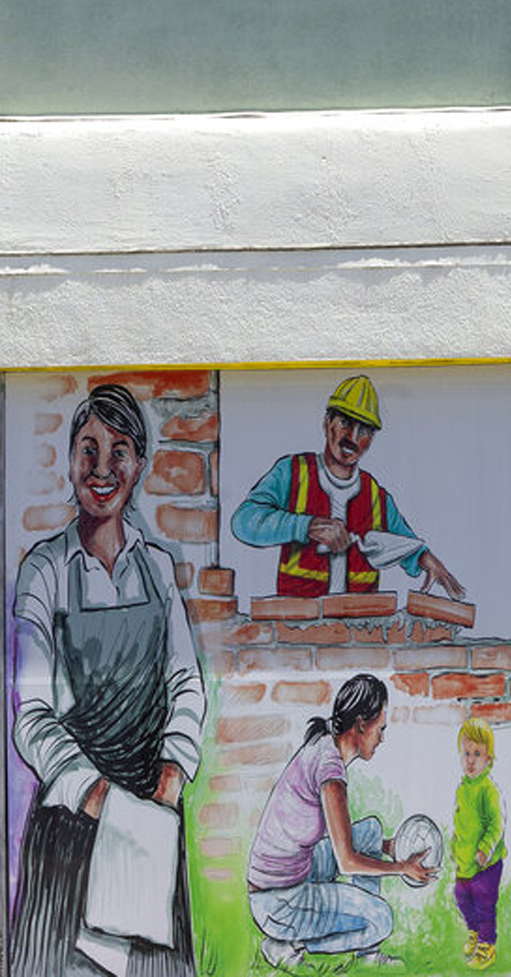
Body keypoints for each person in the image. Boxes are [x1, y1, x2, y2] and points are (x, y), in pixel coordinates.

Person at [10, 383, 206, 976]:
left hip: (150, 818)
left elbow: (186, 686)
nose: (102, 468)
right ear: (70, 461)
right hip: (71, 829)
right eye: (88, 450)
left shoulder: (158, 570)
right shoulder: (44, 572)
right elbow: (31, 715)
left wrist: (168, 781)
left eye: (118, 451)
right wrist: (95, 795)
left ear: (139, 465)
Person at [247, 673, 439, 971]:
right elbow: (347, 861)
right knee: (381, 920)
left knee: (372, 831)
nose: (382, 738)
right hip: (279, 903)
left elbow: (350, 843)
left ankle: (368, 955)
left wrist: (392, 847)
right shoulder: (330, 772)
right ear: (362, 724)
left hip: (292, 875)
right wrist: (401, 868)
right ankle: (287, 945)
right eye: (380, 728)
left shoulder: (324, 745)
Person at [231, 374, 464, 598]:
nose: (352, 438)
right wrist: (306, 526)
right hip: (299, 627)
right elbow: (243, 522)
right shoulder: (292, 472)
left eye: (363, 431)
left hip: (358, 631)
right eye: (345, 423)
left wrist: (427, 560)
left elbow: (405, 544)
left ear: (371, 441)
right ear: (326, 423)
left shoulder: (375, 496)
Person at [453, 716, 507, 970]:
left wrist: (486, 847)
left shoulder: (487, 789)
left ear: (488, 759)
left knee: (484, 902)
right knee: (462, 898)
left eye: (477, 753)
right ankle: (474, 931)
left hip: (487, 863)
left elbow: (497, 824)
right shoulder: (463, 788)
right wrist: (456, 850)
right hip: (466, 861)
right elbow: (461, 826)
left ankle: (487, 946)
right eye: (466, 753)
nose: (471, 760)